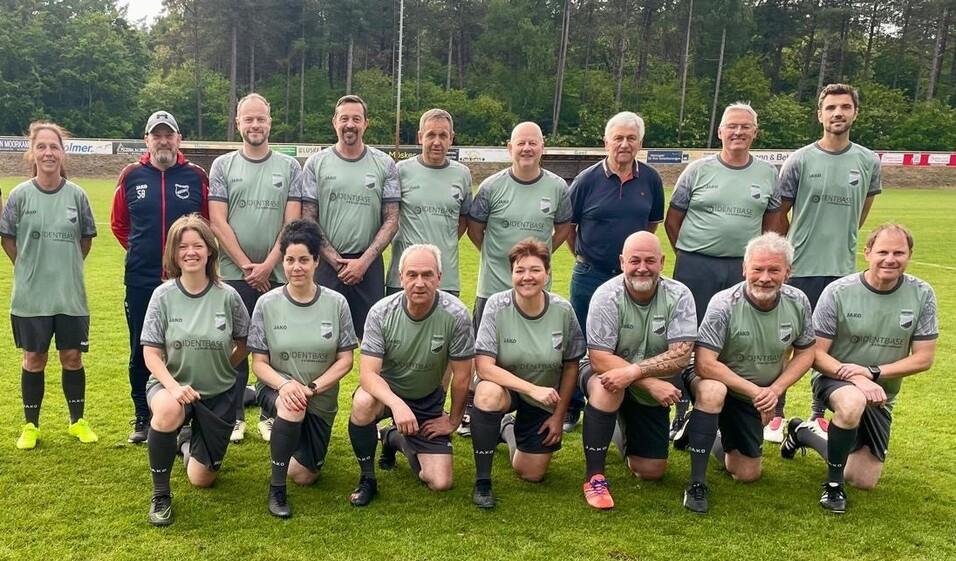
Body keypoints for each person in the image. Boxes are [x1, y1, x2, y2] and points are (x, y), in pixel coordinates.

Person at [779, 224, 937, 514]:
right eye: (883, 252)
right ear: (867, 253)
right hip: (833, 379)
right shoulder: (838, 292)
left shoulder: (922, 294)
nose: (890, 259)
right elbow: (816, 353)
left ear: (909, 255)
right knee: (852, 402)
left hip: (881, 392)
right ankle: (833, 486)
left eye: (899, 252)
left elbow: (923, 358)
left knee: (863, 479)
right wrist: (855, 377)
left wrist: (872, 373)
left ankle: (804, 433)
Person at [665, 103, 781, 440]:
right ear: (720, 132)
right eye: (732, 126)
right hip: (697, 265)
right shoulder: (697, 171)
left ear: (755, 133)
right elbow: (674, 220)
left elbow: (772, 228)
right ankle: (682, 411)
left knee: (734, 340)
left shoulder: (767, 174)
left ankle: (730, 411)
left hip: (744, 271)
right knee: (688, 338)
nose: (738, 132)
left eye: (746, 127)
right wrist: (689, 253)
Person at [772, 83, 881, 433]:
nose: (838, 113)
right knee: (785, 340)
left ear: (855, 113)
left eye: (845, 107)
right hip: (800, 268)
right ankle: (775, 411)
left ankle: (818, 413)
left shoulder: (866, 161)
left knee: (832, 344)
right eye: (831, 107)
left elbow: (862, 212)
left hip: (841, 271)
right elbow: (779, 214)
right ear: (819, 114)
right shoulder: (801, 159)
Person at [679, 233, 815, 513]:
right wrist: (758, 393)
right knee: (713, 392)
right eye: (757, 269)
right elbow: (705, 363)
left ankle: (699, 430)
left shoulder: (798, 301)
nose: (764, 277)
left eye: (774, 270)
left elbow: (806, 352)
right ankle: (697, 481)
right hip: (720, 381)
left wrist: (774, 391)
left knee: (746, 473)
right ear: (744, 268)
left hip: (759, 394)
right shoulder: (724, 303)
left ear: (788, 272)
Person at [460, 121, 572, 437]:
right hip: (491, 288)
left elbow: (563, 228)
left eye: (532, 143)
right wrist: (506, 263)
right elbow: (474, 228)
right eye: (520, 143)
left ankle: (526, 411)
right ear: (510, 147)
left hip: (537, 295)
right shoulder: (492, 187)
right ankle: (476, 411)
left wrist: (535, 265)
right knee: (483, 356)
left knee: (531, 354)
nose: (526, 149)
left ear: (542, 146)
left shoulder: (557, 188)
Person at [140, 215, 250, 526]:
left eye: (198, 245)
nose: (191, 252)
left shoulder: (228, 296)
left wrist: (222, 367)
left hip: (218, 394)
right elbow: (151, 353)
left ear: (210, 252)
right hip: (172, 387)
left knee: (202, 479)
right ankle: (160, 494)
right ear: (173, 253)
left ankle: (186, 441)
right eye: (183, 246)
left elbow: (244, 342)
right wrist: (173, 387)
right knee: (167, 411)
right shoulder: (163, 296)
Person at [347, 244, 474, 506]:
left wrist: (453, 419)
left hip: (427, 399)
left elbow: (462, 376)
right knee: (362, 402)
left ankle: (394, 438)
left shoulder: (457, 315)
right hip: (387, 394)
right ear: (400, 277)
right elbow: (368, 375)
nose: (419, 283)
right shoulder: (381, 312)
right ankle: (367, 478)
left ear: (439, 277)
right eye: (412, 274)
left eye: (427, 275)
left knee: (441, 482)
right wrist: (397, 404)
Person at [208, 93, 303, 442]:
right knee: (234, 343)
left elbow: (291, 224)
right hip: (235, 274)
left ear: (270, 121)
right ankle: (234, 417)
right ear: (238, 124)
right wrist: (249, 266)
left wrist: (268, 265)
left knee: (274, 345)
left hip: (278, 274)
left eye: (260, 119)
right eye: (248, 120)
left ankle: (269, 412)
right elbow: (218, 221)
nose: (255, 125)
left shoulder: (290, 167)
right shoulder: (222, 166)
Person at [578, 231, 696, 509]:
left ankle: (619, 425)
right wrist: (650, 382)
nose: (642, 267)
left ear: (662, 262)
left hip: (643, 380)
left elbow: (681, 355)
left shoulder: (679, 295)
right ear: (622, 262)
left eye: (650, 260)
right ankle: (594, 476)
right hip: (607, 374)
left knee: (651, 470)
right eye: (634, 260)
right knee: (608, 388)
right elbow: (599, 358)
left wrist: (633, 374)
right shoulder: (606, 295)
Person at [111, 110, 209, 444]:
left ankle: (186, 415)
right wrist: (145, 255)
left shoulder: (195, 175)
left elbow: (207, 225)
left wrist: (181, 262)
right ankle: (143, 416)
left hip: (188, 281)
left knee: (186, 348)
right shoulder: (131, 175)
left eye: (169, 135)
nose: (163, 140)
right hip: (141, 279)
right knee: (142, 346)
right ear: (147, 140)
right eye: (157, 135)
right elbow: (119, 225)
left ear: (178, 139)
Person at [248, 219, 357, 518]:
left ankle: (287, 437)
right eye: (290, 260)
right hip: (278, 388)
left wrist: (312, 388)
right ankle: (276, 488)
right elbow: (259, 363)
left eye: (304, 260)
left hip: (319, 398)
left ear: (316, 262)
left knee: (306, 476)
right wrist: (286, 386)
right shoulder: (266, 304)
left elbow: (346, 360)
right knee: (291, 405)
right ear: (282, 261)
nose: (296, 267)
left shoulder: (337, 303)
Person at [1, 121, 98, 450]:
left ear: (62, 152)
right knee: (34, 358)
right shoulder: (19, 195)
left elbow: (85, 242)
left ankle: (77, 421)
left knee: (72, 358)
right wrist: (30, 266)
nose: (48, 153)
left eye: (53, 147)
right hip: (31, 297)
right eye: (41, 146)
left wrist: (63, 267)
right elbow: (9, 240)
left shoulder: (78, 196)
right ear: (32, 152)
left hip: (70, 295)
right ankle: (31, 425)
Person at [566, 111, 665, 431]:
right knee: (580, 343)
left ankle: (624, 407)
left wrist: (631, 264)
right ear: (605, 142)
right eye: (618, 138)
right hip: (590, 276)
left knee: (625, 344)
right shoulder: (586, 180)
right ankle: (572, 407)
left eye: (631, 138)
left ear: (640, 143)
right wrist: (586, 256)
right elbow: (569, 227)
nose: (624, 144)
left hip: (633, 279)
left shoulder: (650, 179)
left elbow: (650, 227)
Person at [469, 239, 586, 508]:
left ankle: (506, 428)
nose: (527, 277)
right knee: (486, 394)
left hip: (545, 396)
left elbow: (571, 365)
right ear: (511, 274)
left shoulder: (563, 310)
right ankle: (483, 480)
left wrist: (559, 416)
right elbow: (484, 367)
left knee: (531, 473)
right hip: (508, 389)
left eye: (534, 270)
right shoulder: (497, 306)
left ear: (547, 273)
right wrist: (531, 389)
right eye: (519, 270)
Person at [302, 94, 400, 339]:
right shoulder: (316, 164)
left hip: (369, 265)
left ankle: (369, 380)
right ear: (334, 121)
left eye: (356, 119)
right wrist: (336, 261)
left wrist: (363, 262)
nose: (350, 124)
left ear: (366, 123)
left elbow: (391, 219)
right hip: (326, 264)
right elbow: (308, 217)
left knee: (375, 340)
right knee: (322, 338)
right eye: (344, 118)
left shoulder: (384, 164)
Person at [385, 108, 472, 297]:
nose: (437, 142)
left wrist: (442, 241)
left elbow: (464, 220)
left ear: (451, 138)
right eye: (431, 135)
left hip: (445, 279)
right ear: (420, 137)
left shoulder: (462, 174)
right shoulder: (401, 171)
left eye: (443, 135)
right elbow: (387, 217)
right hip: (403, 279)